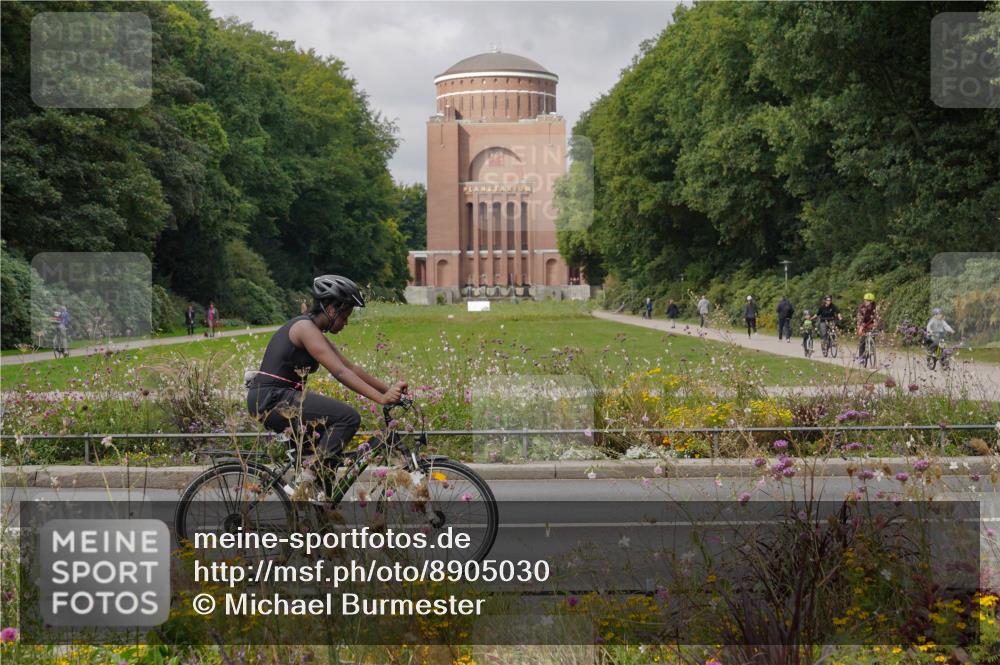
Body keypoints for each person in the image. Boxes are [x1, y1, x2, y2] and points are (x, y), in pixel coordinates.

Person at [246, 275, 407, 501]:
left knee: (327, 470)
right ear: (331, 308)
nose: (346, 323)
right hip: (271, 400)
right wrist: (381, 399)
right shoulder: (304, 328)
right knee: (348, 418)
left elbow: (350, 366)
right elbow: (340, 372)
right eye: (344, 316)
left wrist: (388, 389)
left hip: (281, 398)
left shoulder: (313, 330)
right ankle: (303, 484)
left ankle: (315, 516)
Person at [856, 292, 880, 360]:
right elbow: (859, 318)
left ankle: (872, 347)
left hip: (872, 323)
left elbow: (878, 317)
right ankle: (861, 358)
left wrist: (877, 324)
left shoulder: (875, 307)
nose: (866, 302)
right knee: (862, 339)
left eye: (868, 300)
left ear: (872, 301)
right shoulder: (862, 307)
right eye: (865, 300)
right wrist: (860, 327)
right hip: (863, 323)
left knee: (873, 334)